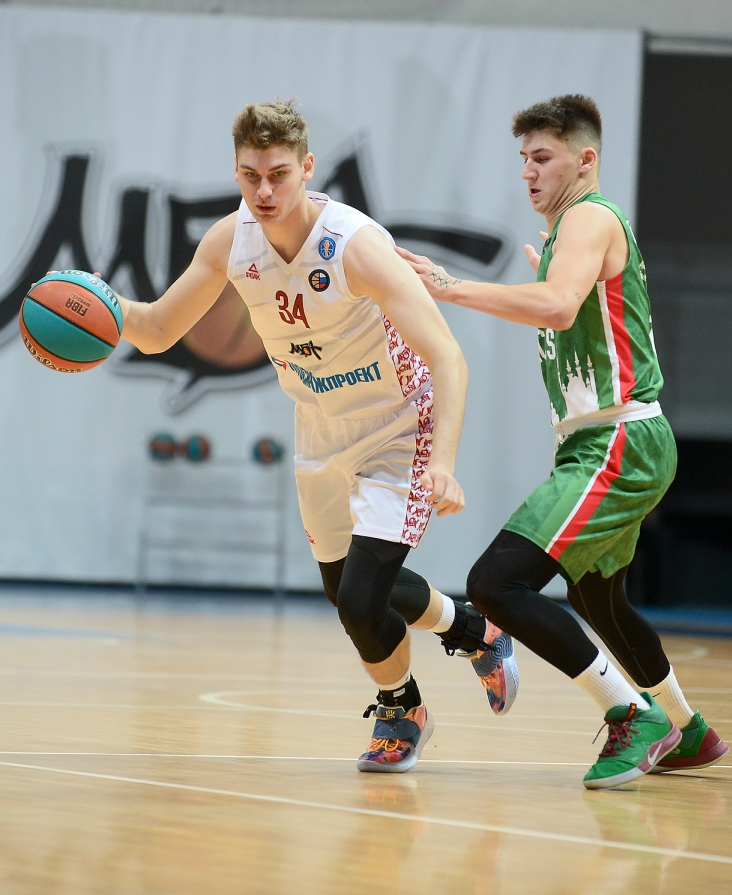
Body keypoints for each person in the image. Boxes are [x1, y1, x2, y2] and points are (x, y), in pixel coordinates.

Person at [117, 100, 518, 773]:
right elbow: (156, 330)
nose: (264, 191)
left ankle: (401, 709)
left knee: (360, 601)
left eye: (278, 174)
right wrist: (103, 308)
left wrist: (444, 463)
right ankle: (475, 629)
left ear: (306, 169)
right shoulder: (230, 241)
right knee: (345, 590)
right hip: (320, 429)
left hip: (398, 425)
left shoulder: (354, 245)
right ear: (236, 172)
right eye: (251, 176)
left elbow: (448, 357)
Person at [399, 94, 727, 789]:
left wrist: (451, 288)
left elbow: (555, 305)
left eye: (542, 157)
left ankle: (631, 716)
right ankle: (688, 730)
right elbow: (562, 305)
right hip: (603, 441)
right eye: (523, 158)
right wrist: (545, 282)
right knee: (597, 599)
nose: (528, 171)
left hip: (618, 440)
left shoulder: (588, 217)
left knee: (494, 583)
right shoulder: (567, 234)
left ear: (585, 160)